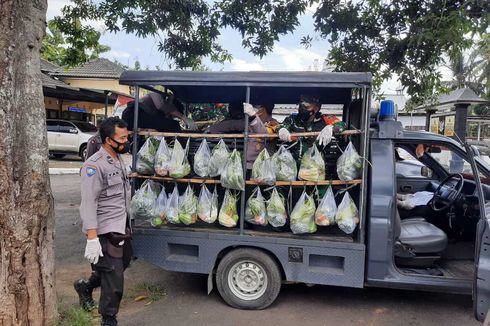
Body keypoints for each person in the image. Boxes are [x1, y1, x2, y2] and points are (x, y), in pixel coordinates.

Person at [74, 117, 133, 326]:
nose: (127, 141)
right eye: (123, 138)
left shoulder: (117, 158)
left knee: (120, 264)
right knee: (114, 278)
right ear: (109, 139)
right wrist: (92, 237)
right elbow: (88, 202)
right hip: (105, 230)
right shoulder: (94, 165)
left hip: (121, 226)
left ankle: (86, 286)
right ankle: (109, 319)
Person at [208, 102, 279, 168]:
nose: (254, 108)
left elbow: (264, 134)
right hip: (247, 165)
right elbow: (233, 124)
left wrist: (253, 117)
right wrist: (212, 129)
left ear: (263, 109)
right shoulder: (249, 122)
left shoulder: (273, 123)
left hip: (263, 166)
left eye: (256, 106)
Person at [277, 95, 346, 156]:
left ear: (316, 109)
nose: (302, 109)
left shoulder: (325, 119)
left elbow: (341, 125)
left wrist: (331, 128)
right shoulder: (293, 118)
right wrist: (282, 129)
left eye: (306, 107)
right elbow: (280, 126)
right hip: (293, 162)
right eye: (300, 106)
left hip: (315, 163)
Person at [122, 92, 197, 132]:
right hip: (133, 114)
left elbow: (167, 111)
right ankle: (181, 148)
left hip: (137, 119)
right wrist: (184, 118)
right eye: (173, 115)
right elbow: (165, 107)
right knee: (174, 124)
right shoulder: (155, 94)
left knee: (169, 124)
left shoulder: (161, 110)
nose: (170, 116)